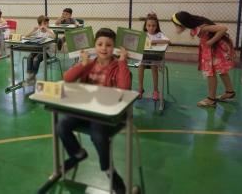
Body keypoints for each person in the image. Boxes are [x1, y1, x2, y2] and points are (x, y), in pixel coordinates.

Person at [57, 28, 130, 194]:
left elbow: (124, 88)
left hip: (108, 114)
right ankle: (78, 154)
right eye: (100, 44)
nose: (104, 48)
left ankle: (109, 171)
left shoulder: (118, 66)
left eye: (109, 45)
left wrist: (122, 62)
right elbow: (67, 78)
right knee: (62, 124)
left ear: (115, 48)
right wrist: (82, 64)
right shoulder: (89, 63)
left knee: (97, 134)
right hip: (87, 109)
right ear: (94, 46)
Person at [172, 11, 236, 107]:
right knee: (221, 71)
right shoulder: (195, 25)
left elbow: (223, 29)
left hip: (214, 49)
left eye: (177, 25)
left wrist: (211, 41)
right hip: (213, 49)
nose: (176, 27)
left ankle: (211, 99)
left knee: (210, 73)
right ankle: (229, 91)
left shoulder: (202, 27)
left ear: (183, 24)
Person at [138, 12, 170, 100]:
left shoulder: (159, 34)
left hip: (155, 59)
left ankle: (156, 90)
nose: (151, 28)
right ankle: (140, 89)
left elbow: (168, 41)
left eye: (153, 25)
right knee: (140, 65)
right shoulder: (143, 34)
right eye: (149, 25)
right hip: (144, 58)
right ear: (146, 26)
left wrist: (154, 41)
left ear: (157, 26)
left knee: (153, 66)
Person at [25, 15, 55, 86]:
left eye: (47, 23)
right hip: (37, 50)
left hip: (47, 52)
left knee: (36, 59)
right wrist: (33, 30)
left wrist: (47, 29)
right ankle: (30, 77)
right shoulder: (38, 31)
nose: (46, 25)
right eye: (44, 23)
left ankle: (32, 77)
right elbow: (26, 36)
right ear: (39, 24)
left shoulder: (49, 31)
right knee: (29, 58)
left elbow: (54, 37)